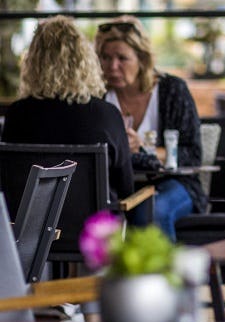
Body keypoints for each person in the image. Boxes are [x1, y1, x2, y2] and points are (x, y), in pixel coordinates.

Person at [95, 16, 206, 241]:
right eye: (105, 58)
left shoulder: (171, 90)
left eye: (122, 58)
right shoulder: (98, 95)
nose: (112, 66)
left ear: (142, 59)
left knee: (153, 211)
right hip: (116, 186)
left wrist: (144, 147)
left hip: (174, 184)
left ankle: (157, 276)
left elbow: (192, 155)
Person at [2, 16, 134, 203]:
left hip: (33, 229)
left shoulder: (17, 114)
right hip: (94, 229)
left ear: (33, 62)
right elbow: (125, 187)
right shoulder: (106, 114)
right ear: (84, 59)